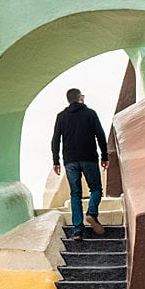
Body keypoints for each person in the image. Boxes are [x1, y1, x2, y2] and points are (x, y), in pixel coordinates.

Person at [51, 88, 109, 240]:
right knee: (96, 189)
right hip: (89, 157)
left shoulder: (61, 116)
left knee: (75, 194)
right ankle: (91, 213)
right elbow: (100, 136)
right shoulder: (90, 113)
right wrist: (104, 156)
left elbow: (55, 140)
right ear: (80, 98)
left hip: (70, 161)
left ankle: (77, 230)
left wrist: (56, 161)